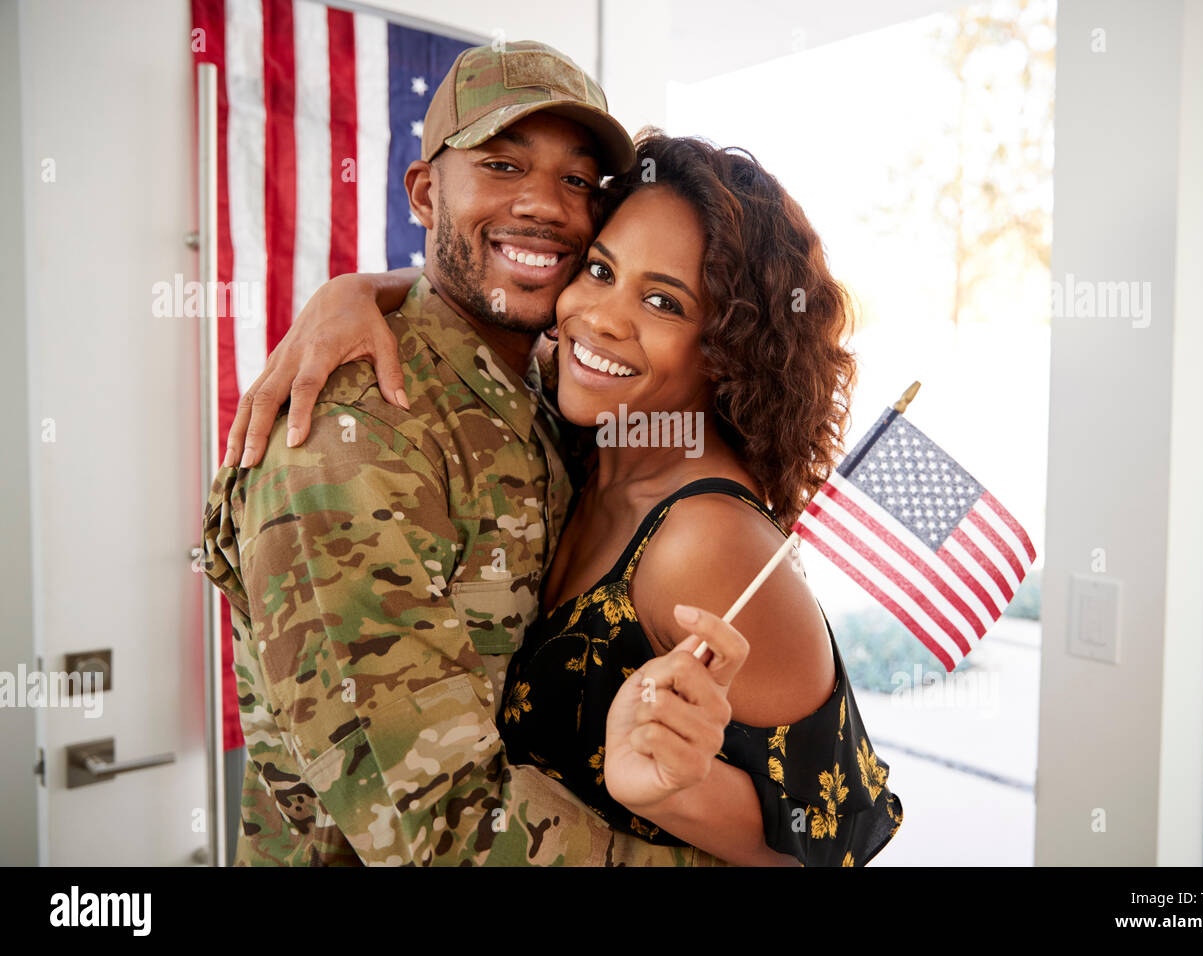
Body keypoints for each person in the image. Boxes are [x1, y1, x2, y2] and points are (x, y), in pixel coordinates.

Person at [226, 131, 906, 864]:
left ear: (728, 348)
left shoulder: (706, 542)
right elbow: (468, 299)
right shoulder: (574, 426)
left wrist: (672, 788)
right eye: (601, 269)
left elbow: (834, 838)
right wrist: (351, 293)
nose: (602, 317)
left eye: (662, 301)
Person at [202, 40, 768, 866]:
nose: (545, 206)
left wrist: (362, 287)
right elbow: (446, 830)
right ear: (426, 192)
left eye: (577, 182)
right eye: (502, 166)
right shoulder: (349, 442)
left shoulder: (548, 388)